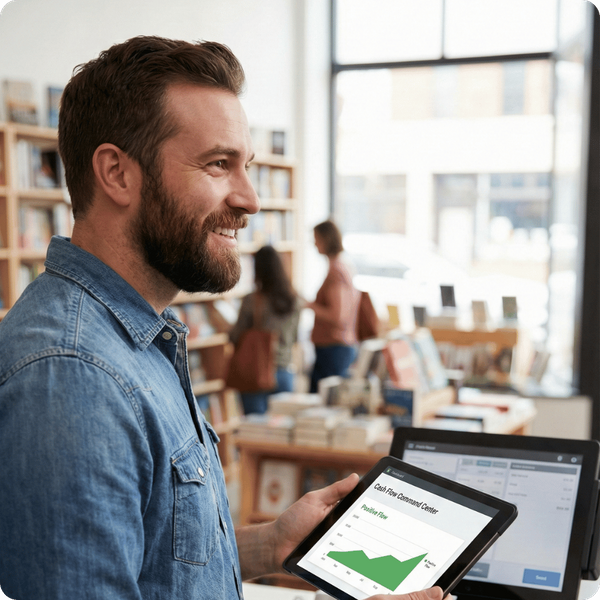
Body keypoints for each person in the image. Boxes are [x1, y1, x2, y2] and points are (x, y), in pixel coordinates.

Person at [0, 36, 443, 600]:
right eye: (218, 164)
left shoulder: (135, 341)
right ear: (117, 174)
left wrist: (268, 547)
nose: (252, 199)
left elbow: (153, 554)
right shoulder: (73, 376)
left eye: (248, 166)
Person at [229, 245, 302, 415]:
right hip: (285, 371)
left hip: (256, 372)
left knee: (255, 432)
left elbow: (236, 336)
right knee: (282, 434)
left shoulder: (252, 300)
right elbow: (295, 338)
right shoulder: (294, 299)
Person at [307, 219, 361, 393]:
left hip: (334, 348)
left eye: (316, 238)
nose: (314, 243)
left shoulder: (337, 271)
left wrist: (309, 305)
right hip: (335, 346)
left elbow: (337, 316)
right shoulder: (342, 267)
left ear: (325, 239)